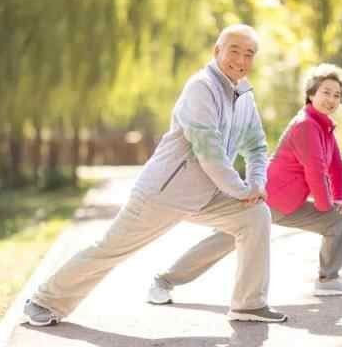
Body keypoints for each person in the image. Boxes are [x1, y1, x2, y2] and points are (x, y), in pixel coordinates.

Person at [23, 24, 288, 326]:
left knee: (255, 216)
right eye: (234, 50)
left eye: (249, 54)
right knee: (110, 250)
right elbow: (208, 150)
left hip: (209, 193)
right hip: (163, 194)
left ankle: (249, 305)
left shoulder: (244, 96)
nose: (241, 59)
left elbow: (255, 145)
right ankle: (44, 301)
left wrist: (256, 184)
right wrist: (239, 190)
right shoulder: (201, 87)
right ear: (217, 51)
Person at [147, 63, 342, 306]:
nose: (331, 99)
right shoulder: (307, 125)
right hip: (267, 198)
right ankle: (163, 281)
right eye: (326, 92)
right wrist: (325, 205)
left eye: (337, 95)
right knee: (220, 244)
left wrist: (339, 200)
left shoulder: (324, 127)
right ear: (311, 94)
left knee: (335, 218)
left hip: (288, 204)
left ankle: (328, 280)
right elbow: (315, 170)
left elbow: (337, 166)